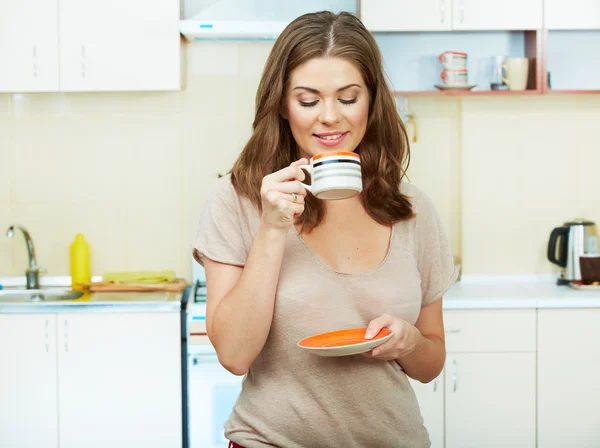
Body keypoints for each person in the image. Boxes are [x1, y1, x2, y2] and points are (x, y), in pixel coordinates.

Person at [193, 10, 458, 448]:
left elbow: (430, 363)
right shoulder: (237, 199)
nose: (330, 117)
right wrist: (272, 228)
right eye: (309, 100)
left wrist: (410, 343)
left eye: (348, 98)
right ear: (282, 103)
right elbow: (235, 356)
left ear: (372, 101)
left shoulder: (412, 209)